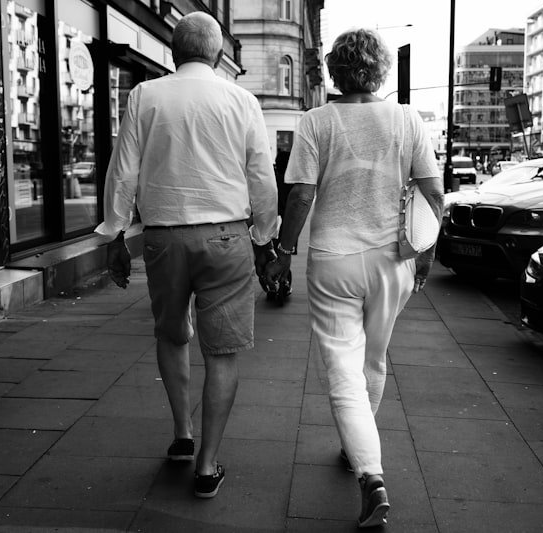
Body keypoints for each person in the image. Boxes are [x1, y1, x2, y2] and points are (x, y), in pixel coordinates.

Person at [264, 28, 443, 528]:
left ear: (334, 72)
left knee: (342, 367)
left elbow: (299, 197)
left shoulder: (316, 121)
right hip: (392, 259)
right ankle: (358, 449)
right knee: (374, 357)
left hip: (335, 259)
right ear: (381, 69)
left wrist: (283, 251)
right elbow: (432, 192)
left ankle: (370, 473)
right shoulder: (408, 119)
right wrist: (425, 254)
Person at [96, 12, 279, 499]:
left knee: (172, 333)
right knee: (222, 352)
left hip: (164, 238)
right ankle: (207, 465)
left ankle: (182, 433)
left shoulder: (145, 97)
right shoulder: (241, 101)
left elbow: (124, 172)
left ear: (174, 53)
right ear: (219, 55)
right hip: (225, 237)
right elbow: (262, 176)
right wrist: (264, 237)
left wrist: (115, 234)